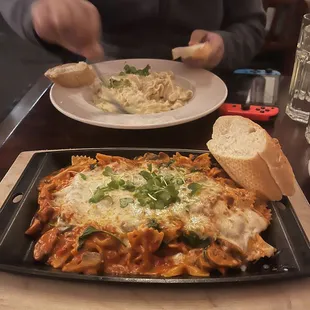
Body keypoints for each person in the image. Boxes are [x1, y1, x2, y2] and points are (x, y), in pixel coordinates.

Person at [0, 0, 266, 70]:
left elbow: (251, 25)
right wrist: (36, 9)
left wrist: (225, 45)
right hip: (97, 82)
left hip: (204, 90)